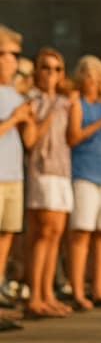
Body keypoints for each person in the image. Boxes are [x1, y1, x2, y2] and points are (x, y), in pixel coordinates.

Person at [65, 56, 101, 308]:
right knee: (82, 233)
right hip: (84, 173)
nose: (91, 79)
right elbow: (74, 136)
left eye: (96, 75)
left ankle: (99, 289)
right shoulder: (77, 103)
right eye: (86, 74)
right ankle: (78, 291)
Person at [25, 47, 73, 317]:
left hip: (62, 169)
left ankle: (48, 293)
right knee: (42, 233)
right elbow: (30, 140)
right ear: (37, 71)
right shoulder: (32, 100)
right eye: (46, 67)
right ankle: (34, 296)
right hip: (41, 170)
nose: (51, 73)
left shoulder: (65, 101)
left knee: (56, 234)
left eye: (56, 68)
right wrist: (50, 116)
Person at [0, 26, 35, 322]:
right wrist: (14, 119)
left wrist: (29, 120)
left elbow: (30, 141)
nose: (14, 62)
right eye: (9, 55)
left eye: (15, 56)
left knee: (7, 237)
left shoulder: (14, 94)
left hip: (14, 174)